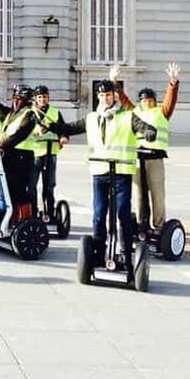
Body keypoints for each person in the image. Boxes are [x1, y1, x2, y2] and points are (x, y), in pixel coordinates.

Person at [48, 79, 156, 267]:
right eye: (102, 95)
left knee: (122, 212)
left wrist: (148, 132)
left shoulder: (128, 116)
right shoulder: (91, 118)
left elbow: (142, 126)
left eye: (108, 95)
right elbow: (70, 128)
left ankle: (125, 251)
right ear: (97, 96)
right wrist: (50, 125)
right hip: (99, 171)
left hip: (122, 171)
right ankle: (98, 250)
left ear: (114, 96)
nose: (105, 98)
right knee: (99, 214)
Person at [116, 63, 180, 233]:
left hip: (155, 157)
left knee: (157, 194)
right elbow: (122, 99)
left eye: (150, 100)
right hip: (137, 157)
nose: (147, 102)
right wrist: (114, 81)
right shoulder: (134, 111)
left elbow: (170, 100)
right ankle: (140, 224)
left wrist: (173, 83)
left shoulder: (162, 112)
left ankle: (159, 226)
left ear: (154, 101)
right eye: (144, 100)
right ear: (140, 101)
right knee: (138, 194)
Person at [0, 81, 40, 221]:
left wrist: (2, 145)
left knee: (20, 191)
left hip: (22, 157)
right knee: (10, 191)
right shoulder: (12, 113)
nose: (15, 101)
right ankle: (12, 219)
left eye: (18, 99)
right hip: (10, 155)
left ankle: (26, 220)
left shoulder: (29, 115)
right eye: (14, 98)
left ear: (25, 100)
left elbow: (19, 134)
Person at [30, 85, 70, 219]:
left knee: (49, 186)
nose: (43, 99)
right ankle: (33, 212)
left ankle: (49, 213)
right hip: (35, 153)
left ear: (49, 98)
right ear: (35, 99)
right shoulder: (31, 112)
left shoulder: (54, 112)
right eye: (40, 97)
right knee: (31, 186)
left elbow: (62, 128)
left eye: (45, 97)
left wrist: (63, 137)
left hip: (51, 152)